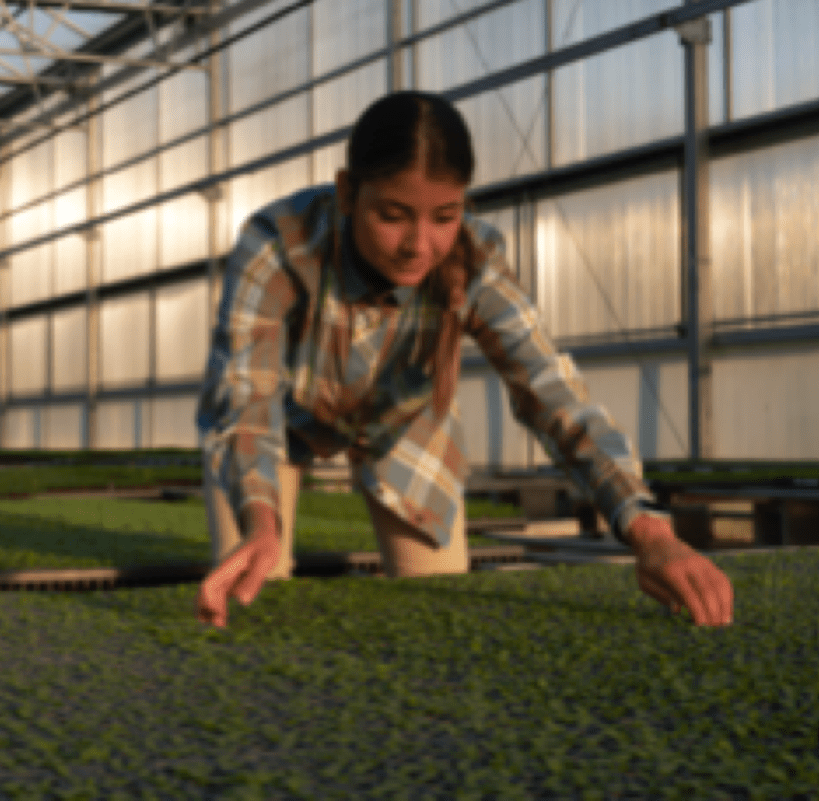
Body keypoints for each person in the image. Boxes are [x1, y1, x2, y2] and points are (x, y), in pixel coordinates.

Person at [194, 90, 733, 629]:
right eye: (393, 215)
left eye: (444, 217)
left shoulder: (475, 259)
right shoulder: (279, 245)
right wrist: (261, 526)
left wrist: (650, 532)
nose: (419, 245)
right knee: (253, 589)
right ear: (347, 193)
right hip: (277, 424)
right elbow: (245, 398)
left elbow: (552, 392)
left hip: (406, 424)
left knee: (439, 610)